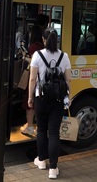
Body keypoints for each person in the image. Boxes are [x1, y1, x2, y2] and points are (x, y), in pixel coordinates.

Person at [28, 27, 72, 179]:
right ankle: (53, 168)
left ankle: (41, 160)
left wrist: (30, 97)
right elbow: (68, 80)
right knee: (54, 133)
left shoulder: (37, 55)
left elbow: (33, 79)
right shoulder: (64, 56)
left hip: (41, 98)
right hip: (58, 100)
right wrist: (68, 97)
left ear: (43, 40)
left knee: (41, 130)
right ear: (57, 39)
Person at [20, 25, 44, 137]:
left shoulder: (35, 46)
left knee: (30, 102)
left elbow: (34, 61)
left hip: (35, 76)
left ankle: (30, 126)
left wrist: (25, 58)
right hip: (42, 77)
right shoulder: (43, 45)